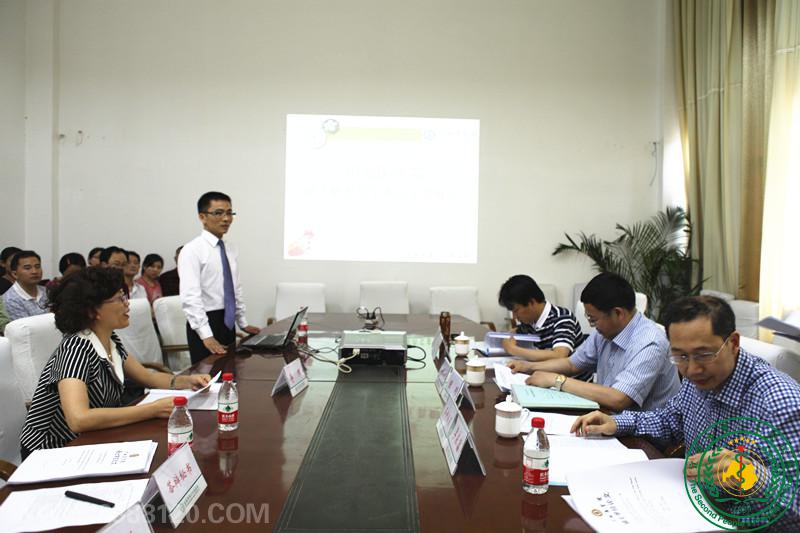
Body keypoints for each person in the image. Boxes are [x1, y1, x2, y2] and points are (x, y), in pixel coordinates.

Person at [571, 296, 800, 529]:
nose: (691, 369)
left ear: (733, 343)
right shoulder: (699, 377)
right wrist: (617, 423)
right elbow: (670, 421)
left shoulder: (781, 404)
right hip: (691, 510)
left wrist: (749, 476)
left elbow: (796, 509)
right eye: (680, 356)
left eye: (703, 354)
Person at [18, 267, 211, 457]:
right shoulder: (75, 350)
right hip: (52, 452)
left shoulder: (110, 339)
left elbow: (147, 377)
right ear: (93, 310)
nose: (127, 304)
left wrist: (186, 381)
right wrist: (152, 410)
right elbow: (78, 419)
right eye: (120, 298)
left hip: (91, 440)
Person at [509, 272, 680, 411]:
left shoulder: (649, 343)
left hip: (643, 437)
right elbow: (572, 364)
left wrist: (557, 380)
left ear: (618, 313)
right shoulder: (606, 332)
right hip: (609, 417)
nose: (592, 326)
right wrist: (528, 367)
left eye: (593, 319)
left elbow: (619, 398)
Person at [179, 191, 260, 363]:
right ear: (202, 217)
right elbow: (190, 297)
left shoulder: (230, 248)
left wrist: (242, 322)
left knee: (231, 372)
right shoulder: (192, 250)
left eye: (229, 213)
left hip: (227, 321)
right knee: (207, 376)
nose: (226, 219)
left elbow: (235, 288)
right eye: (218, 213)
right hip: (205, 322)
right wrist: (206, 335)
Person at [498, 274, 584, 361]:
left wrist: (513, 349)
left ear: (531, 302)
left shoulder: (563, 318)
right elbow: (515, 332)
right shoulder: (529, 322)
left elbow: (559, 355)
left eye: (516, 310)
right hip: (541, 368)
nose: (514, 317)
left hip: (567, 370)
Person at [2, 250, 49, 321]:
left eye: (37, 267)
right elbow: (27, 327)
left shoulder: (47, 291)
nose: (34, 271)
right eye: (27, 268)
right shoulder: (10, 300)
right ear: (15, 274)